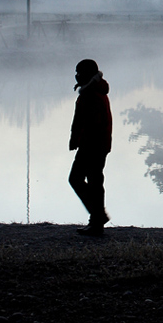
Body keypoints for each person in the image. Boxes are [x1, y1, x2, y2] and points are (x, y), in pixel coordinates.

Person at [69, 59, 112, 236]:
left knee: (77, 179)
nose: (77, 75)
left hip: (92, 144)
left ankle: (98, 217)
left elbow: (90, 123)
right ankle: (96, 221)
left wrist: (78, 141)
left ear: (87, 73)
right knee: (95, 181)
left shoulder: (92, 94)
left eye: (79, 72)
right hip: (97, 143)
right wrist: (75, 140)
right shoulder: (93, 90)